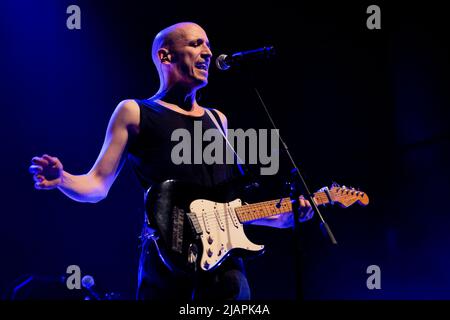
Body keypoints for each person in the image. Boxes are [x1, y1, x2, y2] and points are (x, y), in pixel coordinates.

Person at [28, 22, 314, 300]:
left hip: (226, 273)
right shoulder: (135, 112)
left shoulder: (217, 119)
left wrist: (288, 217)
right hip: (168, 263)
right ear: (165, 55)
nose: (208, 52)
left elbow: (232, 210)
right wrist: (63, 179)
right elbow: (97, 185)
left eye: (209, 45)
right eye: (196, 44)